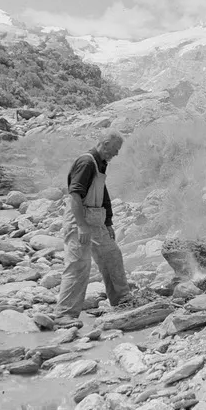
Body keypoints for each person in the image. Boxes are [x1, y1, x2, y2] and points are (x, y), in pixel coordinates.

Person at [54, 129, 131, 324]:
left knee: (111, 254)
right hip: (80, 219)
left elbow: (102, 194)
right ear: (104, 144)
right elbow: (75, 195)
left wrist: (108, 223)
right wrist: (81, 226)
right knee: (78, 264)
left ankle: (122, 300)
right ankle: (64, 314)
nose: (116, 154)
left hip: (96, 220)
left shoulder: (100, 163)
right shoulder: (87, 162)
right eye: (114, 149)